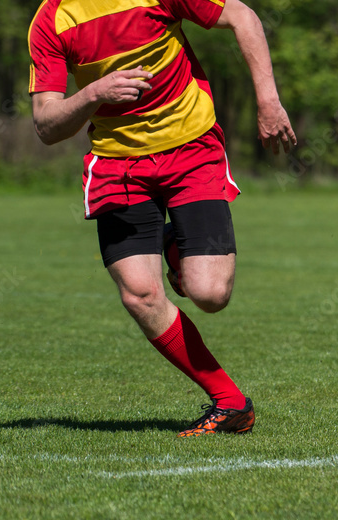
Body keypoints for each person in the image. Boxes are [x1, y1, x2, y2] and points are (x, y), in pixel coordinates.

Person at [28, 0, 296, 437]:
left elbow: (243, 17)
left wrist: (268, 102)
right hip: (117, 164)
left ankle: (173, 245)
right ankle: (231, 404)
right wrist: (94, 93)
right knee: (140, 294)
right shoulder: (51, 20)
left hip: (190, 147)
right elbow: (45, 124)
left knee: (209, 294)